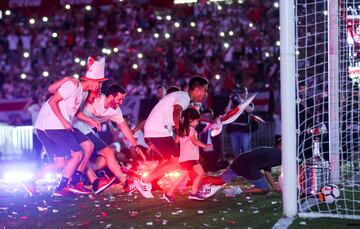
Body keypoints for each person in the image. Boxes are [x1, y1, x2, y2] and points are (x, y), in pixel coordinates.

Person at [21, 57, 111, 196]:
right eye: (99, 82)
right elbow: (52, 101)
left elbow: (74, 112)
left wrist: (90, 121)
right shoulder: (73, 85)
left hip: (45, 128)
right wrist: (64, 121)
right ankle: (65, 186)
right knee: (78, 153)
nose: (100, 86)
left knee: (61, 163)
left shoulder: (83, 92)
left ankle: (30, 181)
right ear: (91, 80)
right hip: (54, 126)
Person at [136, 76, 209, 198]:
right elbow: (177, 111)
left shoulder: (184, 97)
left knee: (175, 161)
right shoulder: (184, 97)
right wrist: (179, 128)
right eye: (204, 90)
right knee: (178, 161)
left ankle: (147, 182)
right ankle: (144, 181)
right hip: (159, 129)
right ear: (197, 89)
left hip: (160, 129)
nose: (206, 93)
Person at [72, 84, 146, 193]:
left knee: (101, 161)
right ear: (111, 96)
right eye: (119, 99)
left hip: (88, 132)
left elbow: (124, 127)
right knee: (107, 152)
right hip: (76, 128)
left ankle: (95, 182)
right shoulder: (95, 98)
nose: (121, 102)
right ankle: (124, 182)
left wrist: (136, 145)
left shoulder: (115, 111)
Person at [163, 108, 213, 203]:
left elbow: (176, 141)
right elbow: (194, 141)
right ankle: (191, 193)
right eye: (196, 120)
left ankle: (171, 193)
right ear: (190, 120)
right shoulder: (192, 130)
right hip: (190, 158)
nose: (198, 122)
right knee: (198, 174)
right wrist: (205, 145)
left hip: (186, 158)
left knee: (189, 175)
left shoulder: (182, 130)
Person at [202, 139, 282, 196]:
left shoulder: (270, 151)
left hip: (240, 160)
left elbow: (267, 172)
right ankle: (238, 191)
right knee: (264, 189)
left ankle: (199, 182)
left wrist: (275, 187)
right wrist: (276, 188)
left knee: (220, 180)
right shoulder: (279, 155)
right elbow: (268, 172)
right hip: (249, 167)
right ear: (281, 146)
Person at [225, 85, 255, 156]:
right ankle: (238, 165)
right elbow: (226, 111)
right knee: (235, 150)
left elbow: (249, 110)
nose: (244, 94)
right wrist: (230, 100)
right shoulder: (234, 103)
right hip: (234, 129)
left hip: (244, 129)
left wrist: (241, 101)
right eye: (242, 93)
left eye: (246, 93)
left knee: (246, 150)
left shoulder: (249, 102)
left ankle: (247, 165)